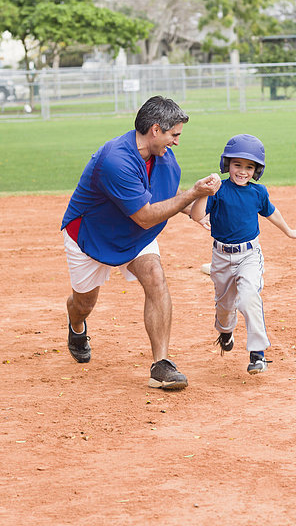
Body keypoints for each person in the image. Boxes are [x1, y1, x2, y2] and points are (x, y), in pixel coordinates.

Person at [61, 95, 221, 390]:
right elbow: (147, 216)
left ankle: (161, 365)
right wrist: (191, 194)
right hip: (92, 236)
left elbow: (160, 197)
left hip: (135, 236)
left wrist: (195, 206)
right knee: (84, 303)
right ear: (156, 130)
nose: (176, 142)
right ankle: (76, 325)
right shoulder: (115, 159)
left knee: (155, 277)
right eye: (174, 135)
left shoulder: (163, 158)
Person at [190, 134, 296, 375]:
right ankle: (226, 331)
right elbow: (197, 216)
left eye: (249, 167)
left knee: (250, 295)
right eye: (237, 165)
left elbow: (272, 213)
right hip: (221, 257)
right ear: (227, 165)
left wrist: (289, 231)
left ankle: (257, 354)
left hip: (249, 255)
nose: (243, 171)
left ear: (257, 170)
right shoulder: (218, 191)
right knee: (224, 306)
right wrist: (203, 192)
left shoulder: (258, 192)